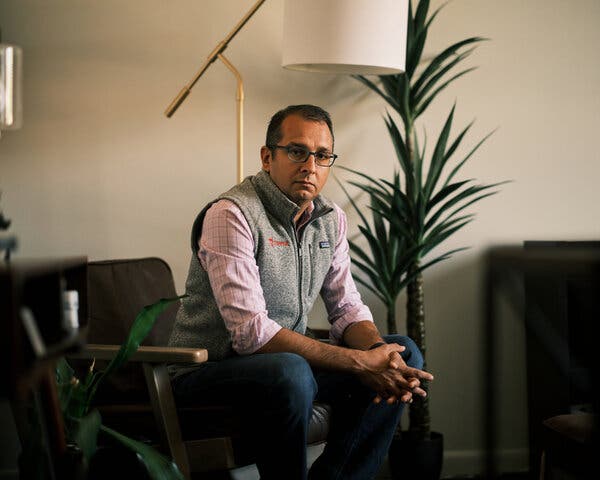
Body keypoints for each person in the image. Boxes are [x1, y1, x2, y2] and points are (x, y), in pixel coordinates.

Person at [168, 104, 434, 480]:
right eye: (296, 151)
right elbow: (251, 335)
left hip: (282, 369)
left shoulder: (330, 220)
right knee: (291, 370)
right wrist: (359, 363)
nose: (310, 165)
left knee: (404, 352)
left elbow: (346, 309)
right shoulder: (231, 214)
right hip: (205, 373)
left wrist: (377, 353)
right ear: (266, 156)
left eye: (322, 155)